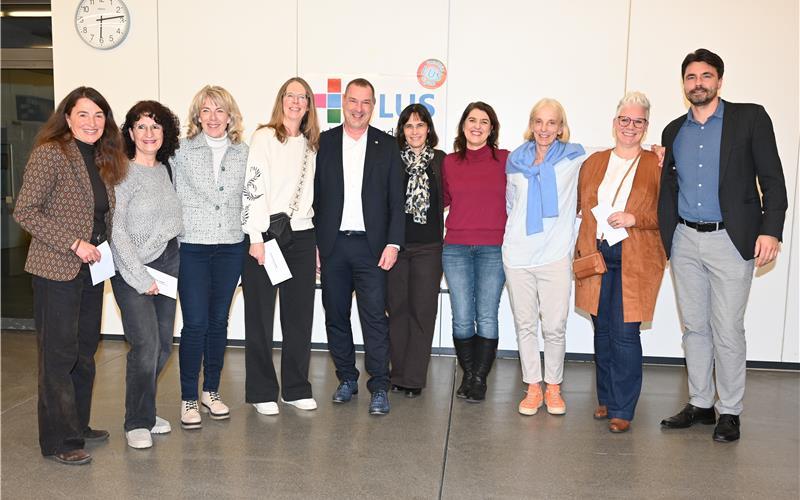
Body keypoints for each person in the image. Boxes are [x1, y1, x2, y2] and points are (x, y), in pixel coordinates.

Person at [658, 49, 787, 442]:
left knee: (727, 327)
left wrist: (772, 230)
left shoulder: (749, 118)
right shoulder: (672, 130)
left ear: (719, 80)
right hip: (684, 239)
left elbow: (773, 178)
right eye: (691, 77)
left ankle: (729, 410)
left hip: (731, 240)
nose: (699, 83)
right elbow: (667, 186)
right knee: (694, 327)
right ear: (684, 84)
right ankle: (700, 403)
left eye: (706, 76)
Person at [13, 86, 127, 465]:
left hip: (92, 269)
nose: (91, 122)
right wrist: (74, 243)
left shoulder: (102, 158)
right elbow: (26, 211)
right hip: (56, 267)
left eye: (98, 116)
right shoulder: (51, 154)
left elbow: (102, 215)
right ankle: (60, 439)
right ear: (67, 117)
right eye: (83, 115)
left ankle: (76, 423)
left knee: (84, 351)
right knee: (58, 355)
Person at [574, 92, 666, 433]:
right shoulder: (594, 162)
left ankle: (623, 408)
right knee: (602, 331)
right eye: (625, 120)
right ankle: (606, 398)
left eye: (638, 121)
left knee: (626, 333)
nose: (630, 127)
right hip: (597, 255)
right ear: (615, 124)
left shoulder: (657, 165)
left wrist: (635, 217)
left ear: (646, 126)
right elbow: (582, 208)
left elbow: (668, 214)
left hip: (635, 257)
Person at [313, 78, 404, 415]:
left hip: (372, 248)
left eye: (366, 102)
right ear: (343, 103)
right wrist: (315, 245)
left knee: (375, 320)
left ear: (373, 106)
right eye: (353, 101)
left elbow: (397, 200)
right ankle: (347, 379)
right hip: (333, 245)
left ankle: (379, 385)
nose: (358, 108)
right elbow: (315, 198)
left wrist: (394, 242)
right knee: (336, 316)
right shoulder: (323, 142)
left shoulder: (387, 145)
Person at [241, 77, 320, 415]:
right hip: (267, 235)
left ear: (309, 105)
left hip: (302, 236)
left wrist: (315, 244)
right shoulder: (264, 137)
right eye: (291, 95)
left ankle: (295, 388)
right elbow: (253, 186)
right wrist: (256, 237)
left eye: (303, 97)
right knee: (259, 316)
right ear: (281, 100)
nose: (296, 102)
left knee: (299, 316)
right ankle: (261, 392)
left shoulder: (313, 144)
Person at [503, 98, 586, 416]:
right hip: (517, 255)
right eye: (539, 121)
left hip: (554, 256)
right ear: (531, 123)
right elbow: (512, 205)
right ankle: (533, 387)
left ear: (561, 127)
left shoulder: (575, 156)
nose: (544, 129)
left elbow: (617, 156)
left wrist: (655, 150)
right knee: (525, 325)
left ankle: (553, 387)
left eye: (552, 122)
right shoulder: (515, 159)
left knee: (554, 326)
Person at [172, 85, 249, 429]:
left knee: (219, 322)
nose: (214, 117)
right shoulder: (180, 151)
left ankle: (211, 391)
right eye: (207, 110)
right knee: (195, 323)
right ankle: (188, 396)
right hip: (192, 246)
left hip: (232, 245)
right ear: (197, 116)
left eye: (220, 110)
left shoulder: (244, 152)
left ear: (230, 116)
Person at [110, 100, 183, 448]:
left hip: (167, 263)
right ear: (130, 132)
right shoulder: (121, 172)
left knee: (164, 346)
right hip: (131, 266)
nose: (149, 133)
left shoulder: (165, 170)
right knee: (145, 345)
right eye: (141, 126)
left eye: (155, 126)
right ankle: (136, 421)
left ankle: (146, 411)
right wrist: (140, 276)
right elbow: (117, 230)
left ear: (164, 132)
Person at [443, 102, 509, 403]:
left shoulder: (507, 160)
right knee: (461, 316)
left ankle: (479, 379)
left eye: (484, 121)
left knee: (486, 315)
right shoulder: (449, 163)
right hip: (455, 248)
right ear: (463, 125)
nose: (477, 126)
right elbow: (437, 200)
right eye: (472, 119)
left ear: (492, 128)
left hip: (493, 249)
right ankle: (468, 374)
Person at [387, 104, 446, 398]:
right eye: (408, 126)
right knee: (397, 310)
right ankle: (396, 373)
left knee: (422, 312)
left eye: (420, 125)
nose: (414, 131)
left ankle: (413, 378)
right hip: (396, 247)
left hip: (429, 248)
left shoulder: (441, 161)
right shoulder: (391, 161)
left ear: (428, 130)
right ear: (402, 131)